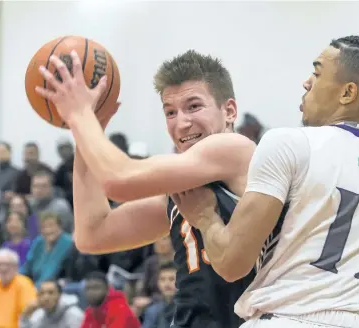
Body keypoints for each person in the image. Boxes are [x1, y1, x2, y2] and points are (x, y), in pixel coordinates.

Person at [172, 36, 359, 328]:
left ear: (348, 93)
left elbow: (230, 262)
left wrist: (205, 218)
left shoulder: (290, 143)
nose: (306, 82)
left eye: (316, 73)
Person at [35, 49, 256, 328]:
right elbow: (92, 233)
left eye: (194, 106)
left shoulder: (236, 150)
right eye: (170, 112)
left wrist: (80, 116)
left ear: (229, 111)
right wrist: (87, 132)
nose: (181, 122)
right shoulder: (179, 193)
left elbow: (119, 180)